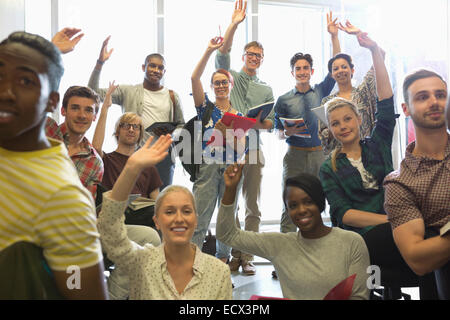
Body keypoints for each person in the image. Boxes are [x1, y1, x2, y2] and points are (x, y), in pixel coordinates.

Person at [0, 31, 107, 299]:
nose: (5, 91)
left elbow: (79, 287)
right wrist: (51, 49)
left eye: (25, 81)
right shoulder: (47, 129)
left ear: (51, 101)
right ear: (62, 110)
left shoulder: (65, 197)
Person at [97, 135, 232, 299]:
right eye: (169, 212)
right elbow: (109, 229)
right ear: (157, 221)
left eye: (187, 211)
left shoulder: (218, 272)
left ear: (196, 220)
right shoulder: (141, 263)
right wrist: (131, 169)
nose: (179, 218)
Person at [216, 164, 370, 300]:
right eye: (293, 205)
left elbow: (359, 297)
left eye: (308, 202)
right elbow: (227, 234)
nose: (301, 210)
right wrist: (230, 190)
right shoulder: (280, 244)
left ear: (320, 202)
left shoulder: (352, 242)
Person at [215, 0, 274, 275]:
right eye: (250, 53)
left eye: (258, 55)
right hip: (228, 148)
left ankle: (247, 256)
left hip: (253, 148)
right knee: (230, 203)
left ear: (262, 59)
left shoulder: (266, 88)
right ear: (244, 56)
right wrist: (234, 24)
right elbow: (222, 54)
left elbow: (271, 123)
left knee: (253, 205)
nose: (254, 58)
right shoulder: (232, 77)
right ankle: (230, 255)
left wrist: (257, 122)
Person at [92, 82, 163, 300]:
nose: (131, 129)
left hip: (140, 220)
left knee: (151, 240)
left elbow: (157, 200)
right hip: (113, 221)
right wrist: (104, 110)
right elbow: (95, 147)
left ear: (141, 133)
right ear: (118, 130)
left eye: (136, 127)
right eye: (126, 125)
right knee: (145, 243)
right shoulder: (106, 160)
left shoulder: (147, 165)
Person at [383, 69, 450, 300]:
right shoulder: (400, 183)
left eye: (441, 95)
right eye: (423, 97)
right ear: (406, 109)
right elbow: (417, 259)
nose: (434, 102)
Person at [274, 11, 341, 235]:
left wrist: (333, 36)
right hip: (294, 155)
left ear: (311, 71)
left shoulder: (321, 90)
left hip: (319, 154)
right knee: (289, 202)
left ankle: (316, 246)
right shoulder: (283, 99)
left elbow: (336, 65)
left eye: (306, 68)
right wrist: (286, 130)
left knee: (320, 200)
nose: (302, 72)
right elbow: (278, 133)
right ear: (292, 72)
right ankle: (285, 257)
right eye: (298, 69)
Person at [88, 37, 185, 190]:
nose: (156, 70)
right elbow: (94, 93)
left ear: (164, 72)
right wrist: (100, 64)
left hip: (163, 157)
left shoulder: (173, 96)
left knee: (161, 202)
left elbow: (181, 125)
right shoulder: (129, 91)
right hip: (133, 155)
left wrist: (171, 134)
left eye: (160, 68)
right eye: (152, 66)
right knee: (131, 197)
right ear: (143, 67)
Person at [190, 36, 246, 264]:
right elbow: (194, 77)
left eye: (225, 82)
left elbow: (241, 150)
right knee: (199, 217)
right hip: (208, 166)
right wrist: (209, 50)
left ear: (231, 85)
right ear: (212, 87)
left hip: (232, 168)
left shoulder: (239, 116)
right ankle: (190, 263)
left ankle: (222, 262)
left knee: (228, 218)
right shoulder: (205, 107)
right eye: (217, 83)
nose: (221, 86)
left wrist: (227, 135)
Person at [318, 20, 381, 155]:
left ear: (352, 70)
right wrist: (334, 126)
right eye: (336, 69)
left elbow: (381, 56)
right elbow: (322, 135)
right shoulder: (327, 102)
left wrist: (359, 34)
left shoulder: (363, 92)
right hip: (339, 159)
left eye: (344, 67)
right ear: (332, 74)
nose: (340, 70)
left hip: (367, 155)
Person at [45, 86, 103, 200]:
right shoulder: (46, 128)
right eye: (75, 108)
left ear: (95, 116)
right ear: (63, 111)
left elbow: (84, 206)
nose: (82, 115)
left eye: (88, 110)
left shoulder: (95, 162)